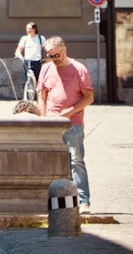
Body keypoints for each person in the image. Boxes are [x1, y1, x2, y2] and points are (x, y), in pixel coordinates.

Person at [38, 35, 94, 212]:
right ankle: (53, 202)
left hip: (73, 123)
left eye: (57, 55)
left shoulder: (79, 69)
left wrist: (70, 111)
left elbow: (89, 97)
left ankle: (84, 201)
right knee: (50, 162)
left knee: (76, 161)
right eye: (51, 56)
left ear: (65, 49)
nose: (54, 59)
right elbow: (41, 96)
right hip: (51, 124)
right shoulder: (46, 69)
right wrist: (42, 118)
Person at [15, 22, 46, 98]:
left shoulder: (40, 38)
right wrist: (18, 55)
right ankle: (28, 95)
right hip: (27, 61)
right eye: (27, 28)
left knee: (38, 79)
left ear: (34, 29)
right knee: (27, 78)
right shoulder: (24, 38)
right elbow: (19, 49)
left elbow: (47, 48)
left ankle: (38, 95)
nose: (28, 30)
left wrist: (48, 58)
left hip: (37, 61)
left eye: (30, 28)